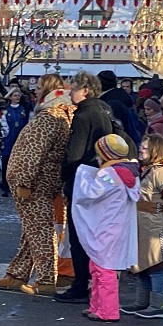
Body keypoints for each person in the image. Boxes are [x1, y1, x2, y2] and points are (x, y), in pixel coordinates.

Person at [0, 74, 75, 296]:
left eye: (39, 87)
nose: (35, 91)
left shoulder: (49, 117)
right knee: (33, 231)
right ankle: (17, 274)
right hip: (44, 181)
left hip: (36, 184)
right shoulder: (62, 115)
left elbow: (33, 152)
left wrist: (24, 182)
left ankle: (46, 279)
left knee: (40, 232)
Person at [56, 71, 113, 304]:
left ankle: (80, 285)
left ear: (85, 90)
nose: (70, 92)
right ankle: (97, 283)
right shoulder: (104, 110)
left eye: (74, 88)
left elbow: (75, 153)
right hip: (102, 177)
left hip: (83, 180)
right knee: (95, 234)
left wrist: (63, 177)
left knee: (79, 236)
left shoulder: (83, 115)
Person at [71, 135, 141, 322]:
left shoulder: (111, 174)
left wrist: (82, 173)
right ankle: (97, 305)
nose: (97, 158)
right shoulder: (130, 172)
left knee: (104, 268)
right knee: (98, 265)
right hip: (116, 225)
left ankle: (108, 311)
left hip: (106, 226)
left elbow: (91, 192)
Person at [124, 134, 163, 320]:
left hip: (158, 224)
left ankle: (158, 305)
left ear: (155, 151)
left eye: (145, 148)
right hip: (145, 223)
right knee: (142, 264)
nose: (141, 150)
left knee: (156, 265)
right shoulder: (149, 170)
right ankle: (142, 302)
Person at [0, 87, 30, 196]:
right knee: (6, 163)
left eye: (18, 95)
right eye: (15, 95)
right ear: (10, 97)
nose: (17, 97)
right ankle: (5, 186)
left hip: (20, 140)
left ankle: (16, 186)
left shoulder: (23, 109)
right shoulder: (6, 110)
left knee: (18, 165)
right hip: (8, 140)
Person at [99, 69, 143, 146]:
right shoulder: (123, 97)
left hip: (118, 146)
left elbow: (113, 128)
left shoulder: (112, 102)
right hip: (129, 142)